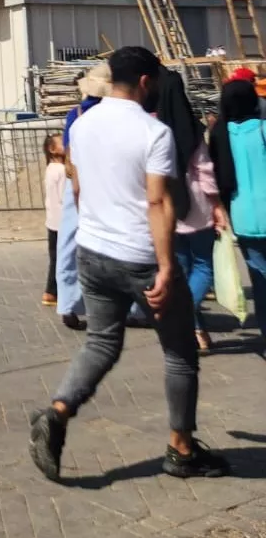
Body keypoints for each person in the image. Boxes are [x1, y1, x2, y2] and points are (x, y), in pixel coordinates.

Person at [29, 46, 228, 481]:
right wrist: (166, 266)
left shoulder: (82, 125)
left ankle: (58, 411)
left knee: (101, 342)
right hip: (141, 256)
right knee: (179, 353)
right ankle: (181, 449)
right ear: (145, 81)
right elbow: (157, 201)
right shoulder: (153, 133)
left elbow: (78, 190)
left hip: (94, 252)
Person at [156, 67, 224, 354]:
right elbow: (205, 172)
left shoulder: (150, 127)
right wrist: (218, 204)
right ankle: (186, 320)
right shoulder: (190, 128)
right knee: (204, 267)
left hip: (165, 208)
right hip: (196, 208)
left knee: (181, 272)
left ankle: (195, 331)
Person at [209, 78, 266, 340]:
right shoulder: (263, 129)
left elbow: (217, 176)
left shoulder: (221, 134)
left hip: (241, 214)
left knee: (259, 279)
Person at [56, 63, 110, 331]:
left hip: (75, 180)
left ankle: (67, 303)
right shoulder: (111, 116)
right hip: (107, 183)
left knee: (68, 242)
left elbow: (67, 148)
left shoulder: (74, 114)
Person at [42, 133, 66, 307]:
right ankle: (54, 292)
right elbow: (65, 198)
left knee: (55, 258)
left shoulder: (50, 168)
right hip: (63, 222)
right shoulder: (62, 170)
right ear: (52, 149)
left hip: (52, 221)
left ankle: (51, 292)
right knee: (63, 259)